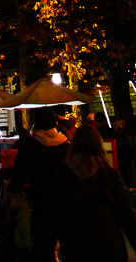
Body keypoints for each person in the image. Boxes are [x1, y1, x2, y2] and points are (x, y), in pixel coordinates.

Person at [47, 124, 136, 261]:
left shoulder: (62, 175)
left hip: (75, 249)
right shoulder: (109, 175)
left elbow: (52, 217)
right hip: (110, 249)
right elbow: (126, 217)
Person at [9, 106, 69, 262]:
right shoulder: (66, 146)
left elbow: (19, 174)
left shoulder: (30, 147)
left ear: (36, 124)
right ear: (55, 123)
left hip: (40, 202)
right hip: (65, 202)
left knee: (42, 248)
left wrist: (13, 188)